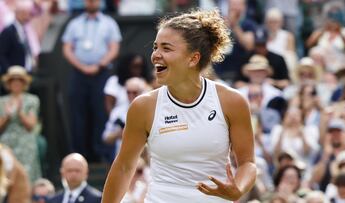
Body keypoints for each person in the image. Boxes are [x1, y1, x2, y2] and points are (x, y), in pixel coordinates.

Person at [102, 9, 256, 203]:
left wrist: (238, 189)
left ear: (193, 58)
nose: (155, 55)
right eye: (155, 47)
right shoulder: (143, 106)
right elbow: (124, 167)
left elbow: (248, 163)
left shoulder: (232, 101)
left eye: (166, 48)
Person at [62, 0, 121, 162]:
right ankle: (79, 153)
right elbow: (67, 48)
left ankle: (100, 152)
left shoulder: (109, 23)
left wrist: (99, 64)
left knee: (100, 111)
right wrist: (81, 66)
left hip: (101, 73)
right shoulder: (74, 24)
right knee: (78, 113)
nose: (92, 2)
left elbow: (114, 47)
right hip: (79, 74)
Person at [0, 66, 41, 183]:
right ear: (9, 83)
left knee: (27, 175)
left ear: (24, 83)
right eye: (13, 81)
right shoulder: (1, 102)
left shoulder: (32, 100)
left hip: (25, 142)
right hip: (6, 143)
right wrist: (7, 116)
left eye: (19, 81)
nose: (16, 84)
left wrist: (19, 112)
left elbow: (31, 125)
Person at [0, 0, 39, 76]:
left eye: (28, 14)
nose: (27, 17)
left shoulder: (25, 30)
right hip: (14, 76)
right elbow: (2, 54)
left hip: (26, 72)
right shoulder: (8, 31)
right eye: (24, 14)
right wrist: (9, 70)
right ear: (18, 13)